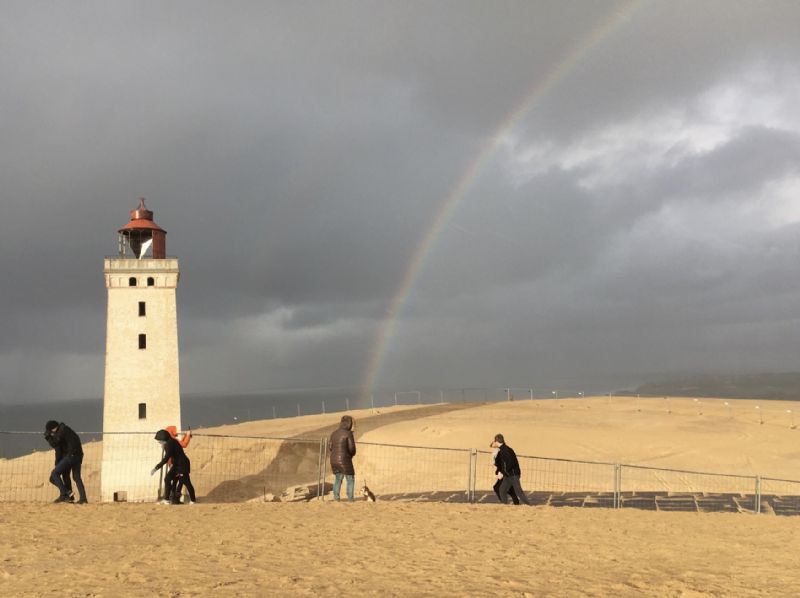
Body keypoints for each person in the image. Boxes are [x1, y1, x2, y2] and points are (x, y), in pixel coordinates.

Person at [44, 420, 87, 504]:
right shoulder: (65, 429)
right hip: (78, 455)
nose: (51, 433)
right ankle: (83, 498)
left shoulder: (61, 431)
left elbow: (55, 444)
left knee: (54, 474)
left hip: (71, 455)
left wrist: (48, 437)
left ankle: (65, 494)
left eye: (50, 431)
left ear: (53, 429)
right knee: (76, 477)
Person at [151, 429, 196, 504]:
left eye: (159, 441)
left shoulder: (170, 444)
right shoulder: (168, 443)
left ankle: (193, 500)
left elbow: (166, 459)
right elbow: (171, 456)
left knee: (186, 482)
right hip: (175, 465)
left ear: (163, 439)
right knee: (167, 479)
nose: (159, 442)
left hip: (182, 465)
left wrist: (156, 468)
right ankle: (166, 499)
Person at [493, 433, 530, 505]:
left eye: (495, 441)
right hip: (508, 475)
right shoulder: (503, 449)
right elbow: (504, 464)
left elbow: (510, 463)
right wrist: (502, 472)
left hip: (513, 475)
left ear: (497, 441)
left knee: (519, 492)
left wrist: (502, 473)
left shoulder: (505, 450)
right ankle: (505, 506)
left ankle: (529, 506)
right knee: (502, 490)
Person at [329, 415, 356, 501]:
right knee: (350, 479)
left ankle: (336, 498)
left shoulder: (333, 433)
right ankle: (350, 499)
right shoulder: (348, 433)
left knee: (338, 479)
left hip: (333, 460)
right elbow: (352, 449)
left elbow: (330, 447)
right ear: (349, 423)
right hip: (345, 460)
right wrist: (351, 455)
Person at [164, 425, 192, 503]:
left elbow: (181, 443)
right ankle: (175, 498)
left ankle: (174, 498)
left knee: (176, 480)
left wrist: (186, 435)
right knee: (180, 480)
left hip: (172, 463)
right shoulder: (173, 440)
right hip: (176, 464)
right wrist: (188, 435)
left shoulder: (169, 441)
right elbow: (184, 444)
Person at [491, 440, 519, 504]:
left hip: (505, 473)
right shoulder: (499, 452)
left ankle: (504, 503)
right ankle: (515, 502)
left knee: (497, 488)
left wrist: (501, 472)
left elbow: (503, 464)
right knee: (508, 489)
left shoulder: (500, 452)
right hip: (506, 473)